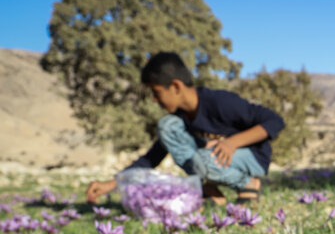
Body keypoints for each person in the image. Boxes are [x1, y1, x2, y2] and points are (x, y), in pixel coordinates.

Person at [86, 52, 285, 205]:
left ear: (176, 86)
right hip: (211, 160)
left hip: (251, 157)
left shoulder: (219, 102)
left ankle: (249, 184)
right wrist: (112, 184)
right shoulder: (180, 118)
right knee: (166, 126)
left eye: (156, 93)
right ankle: (208, 188)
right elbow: (152, 157)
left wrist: (231, 143)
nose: (154, 100)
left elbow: (274, 121)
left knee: (203, 159)